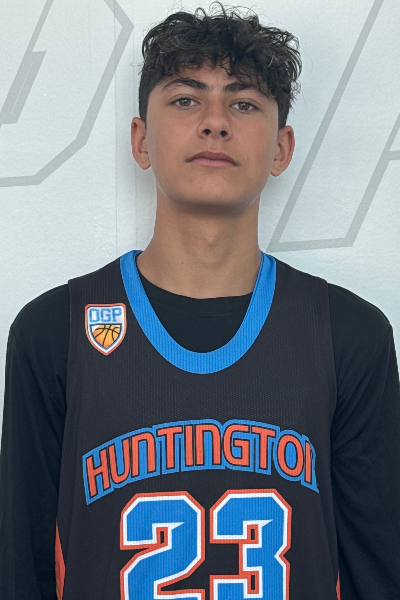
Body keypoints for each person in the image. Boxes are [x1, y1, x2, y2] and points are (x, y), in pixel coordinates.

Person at [1, 2, 399, 599]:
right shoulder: (53, 331)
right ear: (141, 140)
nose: (215, 122)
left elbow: (380, 572)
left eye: (244, 103)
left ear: (281, 148)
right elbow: (19, 568)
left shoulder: (350, 336)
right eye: (186, 100)